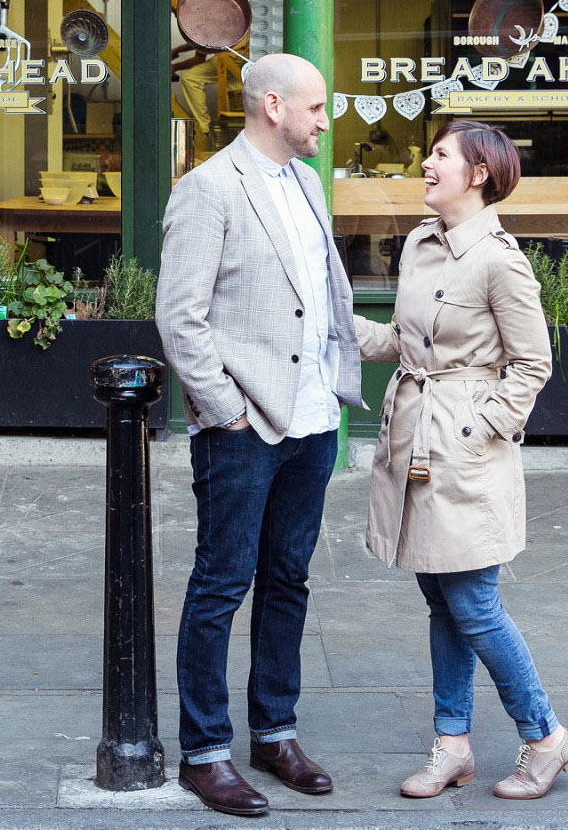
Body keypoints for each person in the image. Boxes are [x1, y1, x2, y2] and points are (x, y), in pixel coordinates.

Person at [156, 52, 364, 818]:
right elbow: (180, 317)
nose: (324, 119)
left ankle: (274, 732)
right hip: (244, 429)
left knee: (289, 580)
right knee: (220, 584)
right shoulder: (208, 189)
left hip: (313, 421)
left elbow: (322, 305)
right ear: (272, 104)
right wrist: (226, 411)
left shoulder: (308, 184)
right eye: (316, 106)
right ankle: (204, 753)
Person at [352, 119, 568, 801]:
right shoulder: (422, 243)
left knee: (473, 599)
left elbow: (532, 361)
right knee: (441, 596)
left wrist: (481, 427)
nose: (425, 163)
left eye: (440, 155)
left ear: (478, 173)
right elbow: (405, 338)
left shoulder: (500, 260)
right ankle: (452, 744)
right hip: (413, 440)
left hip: (463, 447)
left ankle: (544, 735)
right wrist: (337, 325)